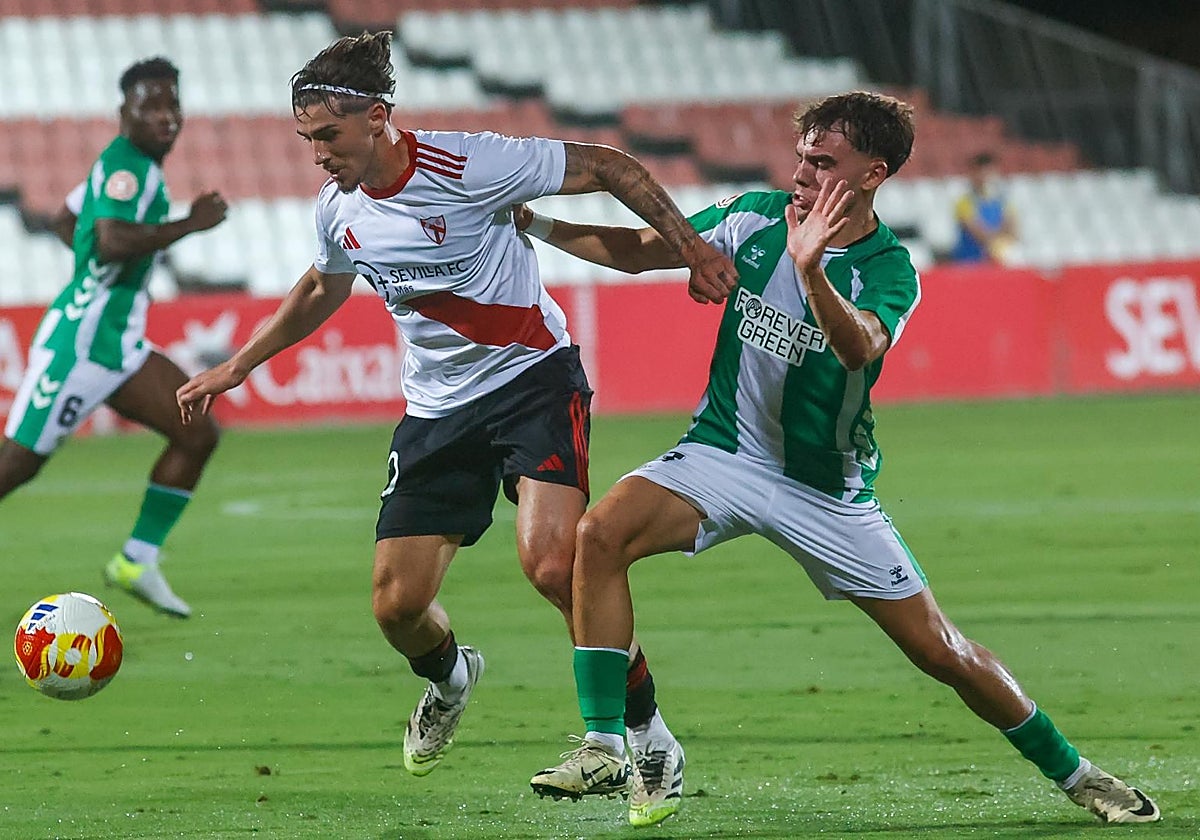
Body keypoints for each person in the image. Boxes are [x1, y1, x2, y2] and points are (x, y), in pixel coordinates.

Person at [525, 91, 1161, 827]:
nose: (802, 170)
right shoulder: (755, 216)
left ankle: (1079, 775)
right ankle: (615, 743)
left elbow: (860, 345)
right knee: (598, 538)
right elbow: (638, 254)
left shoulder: (891, 269)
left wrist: (811, 269)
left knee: (942, 651)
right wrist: (534, 221)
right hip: (724, 453)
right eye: (802, 154)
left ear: (872, 174)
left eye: (823, 161)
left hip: (826, 491)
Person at [173, 31, 736, 819]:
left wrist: (695, 250)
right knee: (395, 606)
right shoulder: (337, 206)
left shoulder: (469, 163)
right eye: (307, 139)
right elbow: (321, 285)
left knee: (551, 564)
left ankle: (644, 740)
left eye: (327, 136)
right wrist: (240, 365)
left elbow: (613, 166)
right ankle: (451, 677)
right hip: (437, 408)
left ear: (377, 118)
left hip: (531, 380)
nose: (317, 155)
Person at [0, 57, 227, 618]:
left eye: (171, 103)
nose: (165, 116)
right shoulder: (127, 168)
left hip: (118, 346)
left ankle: (136, 559)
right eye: (150, 105)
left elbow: (67, 221)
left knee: (196, 432)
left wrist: (92, 274)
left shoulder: (125, 168)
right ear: (123, 112)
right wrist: (188, 224)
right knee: (14, 467)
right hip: (79, 347)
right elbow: (108, 241)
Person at [949, 151, 1017, 263]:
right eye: (981, 172)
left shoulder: (1004, 202)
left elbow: (1013, 231)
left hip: (997, 260)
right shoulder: (964, 203)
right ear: (973, 174)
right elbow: (979, 234)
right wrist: (998, 242)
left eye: (989, 172)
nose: (985, 177)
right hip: (970, 262)